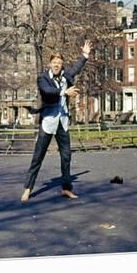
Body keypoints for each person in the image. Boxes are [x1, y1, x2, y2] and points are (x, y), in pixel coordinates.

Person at [21, 40, 93, 202]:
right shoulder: (43, 78)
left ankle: (66, 188)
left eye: (59, 63)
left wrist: (85, 56)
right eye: (54, 63)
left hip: (63, 122)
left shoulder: (65, 76)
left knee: (66, 157)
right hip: (48, 122)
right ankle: (27, 189)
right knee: (38, 157)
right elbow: (47, 92)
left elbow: (75, 68)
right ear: (50, 64)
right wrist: (64, 93)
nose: (57, 65)